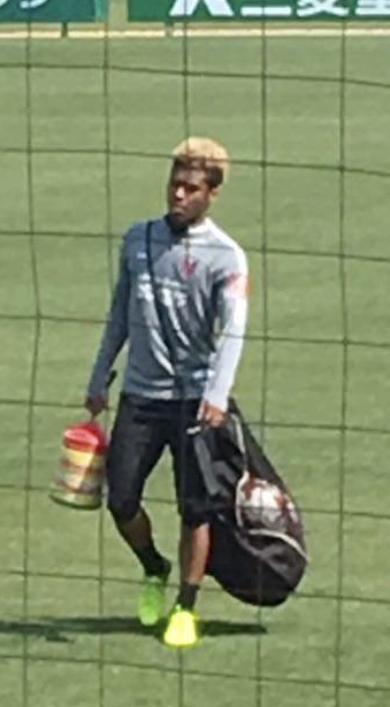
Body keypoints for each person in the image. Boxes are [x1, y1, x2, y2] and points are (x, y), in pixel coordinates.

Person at [85, 137, 250, 649]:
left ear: (212, 194)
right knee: (120, 499)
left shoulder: (226, 257)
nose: (179, 195)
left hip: (195, 402)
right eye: (175, 184)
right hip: (140, 396)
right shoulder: (138, 239)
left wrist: (217, 393)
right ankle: (153, 566)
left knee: (195, 508)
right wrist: (99, 375)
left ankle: (186, 606)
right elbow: (119, 313)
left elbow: (234, 330)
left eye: (191, 188)